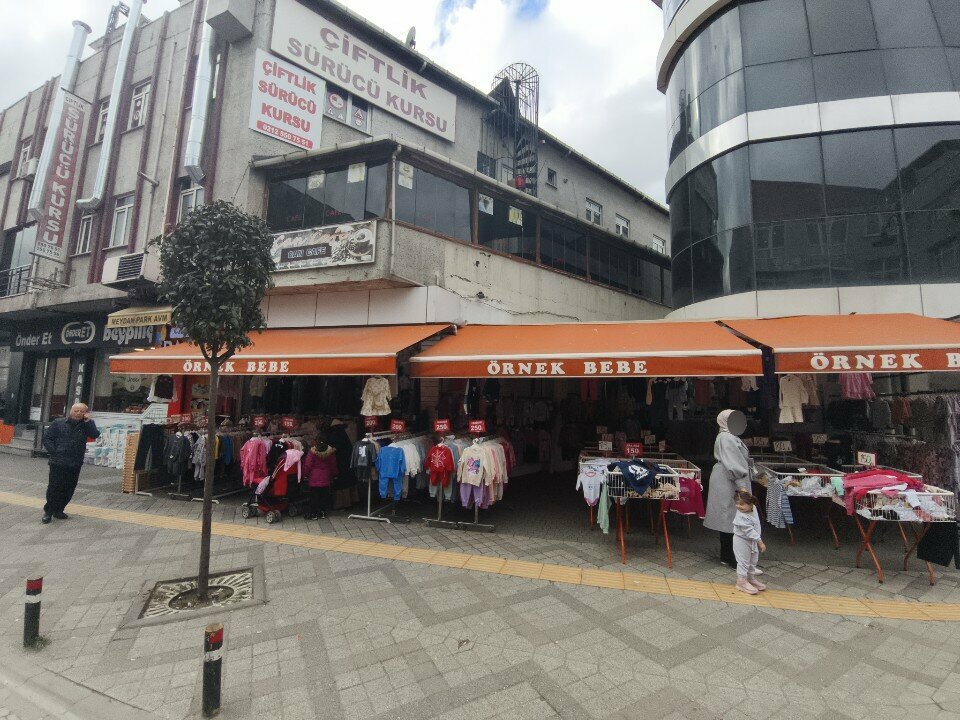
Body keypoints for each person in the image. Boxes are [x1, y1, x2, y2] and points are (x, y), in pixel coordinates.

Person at [703, 409, 752, 568]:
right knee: (732, 518)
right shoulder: (726, 438)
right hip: (729, 481)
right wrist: (742, 487)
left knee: (729, 518)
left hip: (726, 480)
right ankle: (732, 557)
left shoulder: (728, 437)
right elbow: (734, 464)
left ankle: (728, 555)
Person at [41, 403, 100, 524]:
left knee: (69, 488)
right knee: (54, 487)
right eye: (76, 411)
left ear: (86, 413)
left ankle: (59, 510)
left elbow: (95, 434)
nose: (79, 413)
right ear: (71, 411)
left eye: (82, 411)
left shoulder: (86, 425)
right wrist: (54, 451)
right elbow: (47, 438)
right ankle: (48, 512)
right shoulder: (58, 423)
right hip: (58, 461)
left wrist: (88, 421)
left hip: (75, 462)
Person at [732, 489, 767, 595]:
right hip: (742, 540)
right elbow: (749, 531)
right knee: (743, 562)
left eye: (741, 504)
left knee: (753, 561)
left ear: (750, 504)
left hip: (752, 540)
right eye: (737, 504)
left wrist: (746, 494)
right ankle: (741, 581)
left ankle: (750, 578)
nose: (738, 506)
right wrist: (760, 542)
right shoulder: (741, 516)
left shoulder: (753, 508)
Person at [302, 436, 337, 520]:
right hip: (326, 477)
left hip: (314, 478)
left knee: (314, 497)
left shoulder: (312, 452)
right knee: (324, 497)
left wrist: (305, 474)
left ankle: (314, 514)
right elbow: (333, 465)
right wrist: (334, 474)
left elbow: (308, 465)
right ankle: (322, 513)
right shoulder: (330, 452)